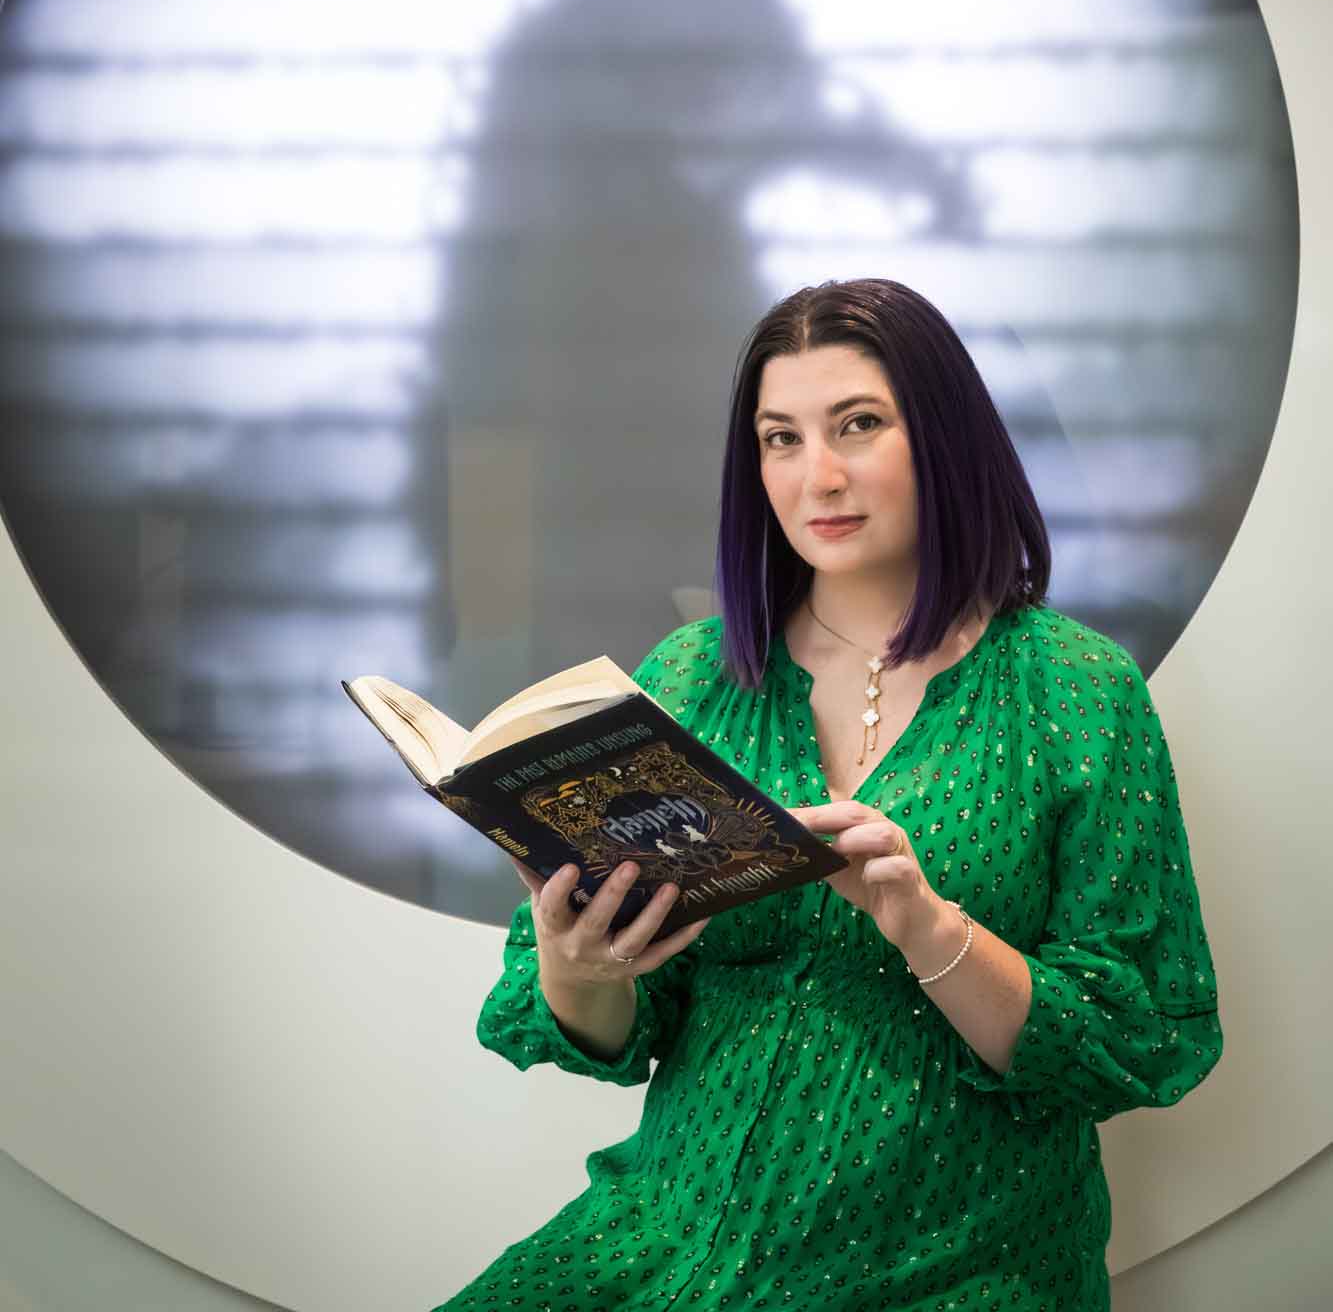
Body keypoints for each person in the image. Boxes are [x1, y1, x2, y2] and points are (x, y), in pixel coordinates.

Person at [431, 277, 1223, 1312]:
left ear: (940, 435)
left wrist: (926, 924)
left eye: (858, 423)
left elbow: (1138, 1037)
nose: (821, 475)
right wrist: (581, 968)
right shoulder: (689, 680)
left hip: (955, 1260)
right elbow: (619, 1035)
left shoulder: (1077, 691)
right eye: (781, 438)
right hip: (667, 1233)